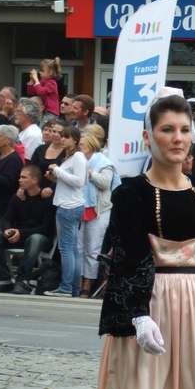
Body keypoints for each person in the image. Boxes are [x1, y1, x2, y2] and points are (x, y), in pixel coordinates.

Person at [97, 88, 195, 389]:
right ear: (147, 137)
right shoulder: (131, 193)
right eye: (167, 130)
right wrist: (138, 315)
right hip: (153, 305)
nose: (178, 138)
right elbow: (127, 259)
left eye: (184, 130)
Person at [0, 165, 56, 294]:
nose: (19, 180)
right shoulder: (18, 197)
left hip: (40, 238)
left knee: (35, 238)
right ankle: (3, 280)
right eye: (20, 177)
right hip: (19, 236)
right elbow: (7, 219)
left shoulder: (47, 200)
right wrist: (7, 230)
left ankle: (22, 280)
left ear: (34, 180)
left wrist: (21, 233)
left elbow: (47, 228)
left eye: (24, 177)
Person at [44, 125, 87, 297]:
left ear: (75, 139)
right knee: (72, 249)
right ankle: (73, 287)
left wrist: (57, 170)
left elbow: (79, 181)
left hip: (70, 206)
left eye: (67, 137)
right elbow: (69, 180)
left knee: (67, 249)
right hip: (68, 204)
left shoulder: (78, 156)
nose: (63, 139)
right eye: (62, 136)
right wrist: (55, 176)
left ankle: (67, 286)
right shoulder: (69, 157)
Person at [77, 128, 118, 298]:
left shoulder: (104, 162)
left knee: (92, 248)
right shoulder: (77, 160)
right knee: (78, 248)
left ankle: (88, 284)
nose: (79, 147)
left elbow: (105, 183)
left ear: (92, 145)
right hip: (80, 207)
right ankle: (77, 282)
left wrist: (90, 172)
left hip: (99, 210)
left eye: (82, 144)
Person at [29, 121, 66, 198]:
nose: (56, 135)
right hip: (35, 189)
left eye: (60, 133)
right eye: (54, 131)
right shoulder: (40, 149)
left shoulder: (67, 153)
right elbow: (31, 169)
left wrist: (52, 188)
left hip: (56, 193)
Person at [26, 57, 62, 122]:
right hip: (44, 111)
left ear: (50, 72)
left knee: (42, 128)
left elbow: (41, 91)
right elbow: (31, 92)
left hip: (51, 112)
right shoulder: (42, 82)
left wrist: (36, 79)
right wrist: (32, 80)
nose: (40, 73)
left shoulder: (52, 83)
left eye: (42, 71)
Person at [14, 98, 43, 163]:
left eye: (18, 111)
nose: (15, 114)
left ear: (28, 114)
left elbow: (27, 161)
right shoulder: (25, 131)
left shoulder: (33, 134)